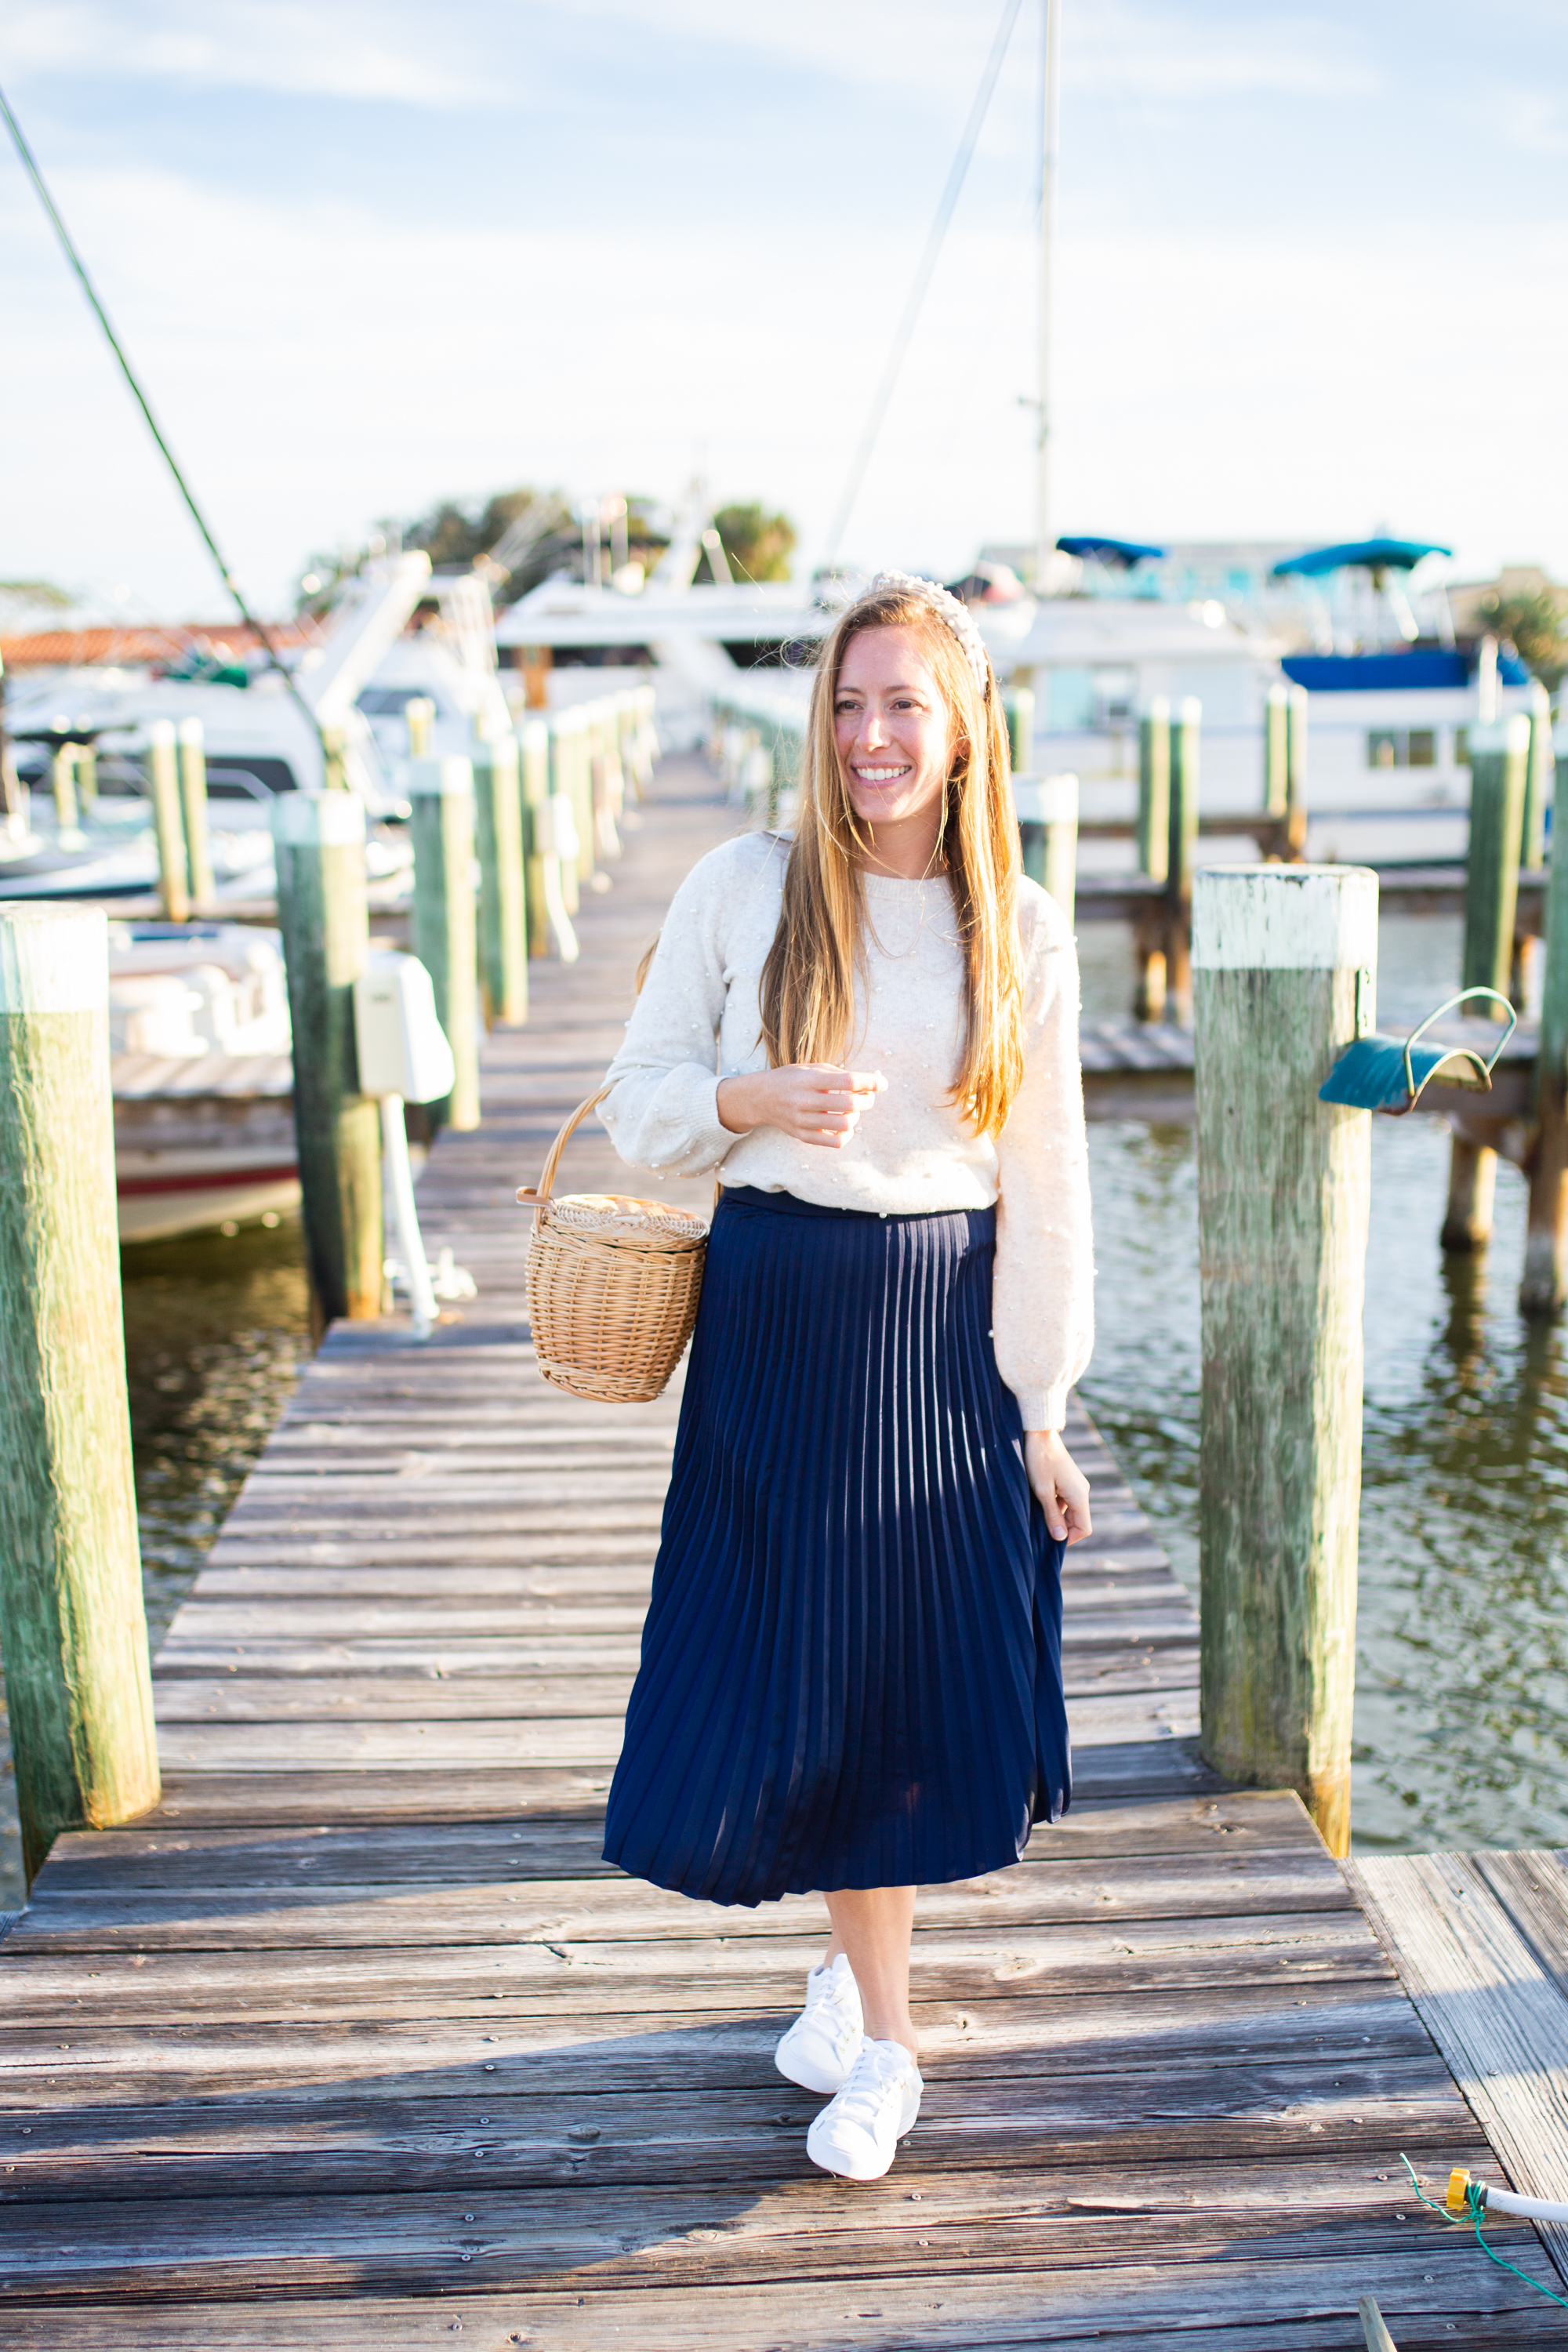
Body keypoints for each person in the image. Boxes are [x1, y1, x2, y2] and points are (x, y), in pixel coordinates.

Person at [597, 572, 1094, 2183]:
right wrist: (751, 1097)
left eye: (903, 704)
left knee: (906, 1685)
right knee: (798, 1672)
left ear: (961, 733)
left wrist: (1041, 1407)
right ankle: (890, 2045)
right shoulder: (745, 885)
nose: (871, 734)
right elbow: (637, 1101)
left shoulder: (1012, 920)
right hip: (778, 1315)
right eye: (847, 701)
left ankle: (846, 1984)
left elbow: (1048, 1182)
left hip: (940, 1330)